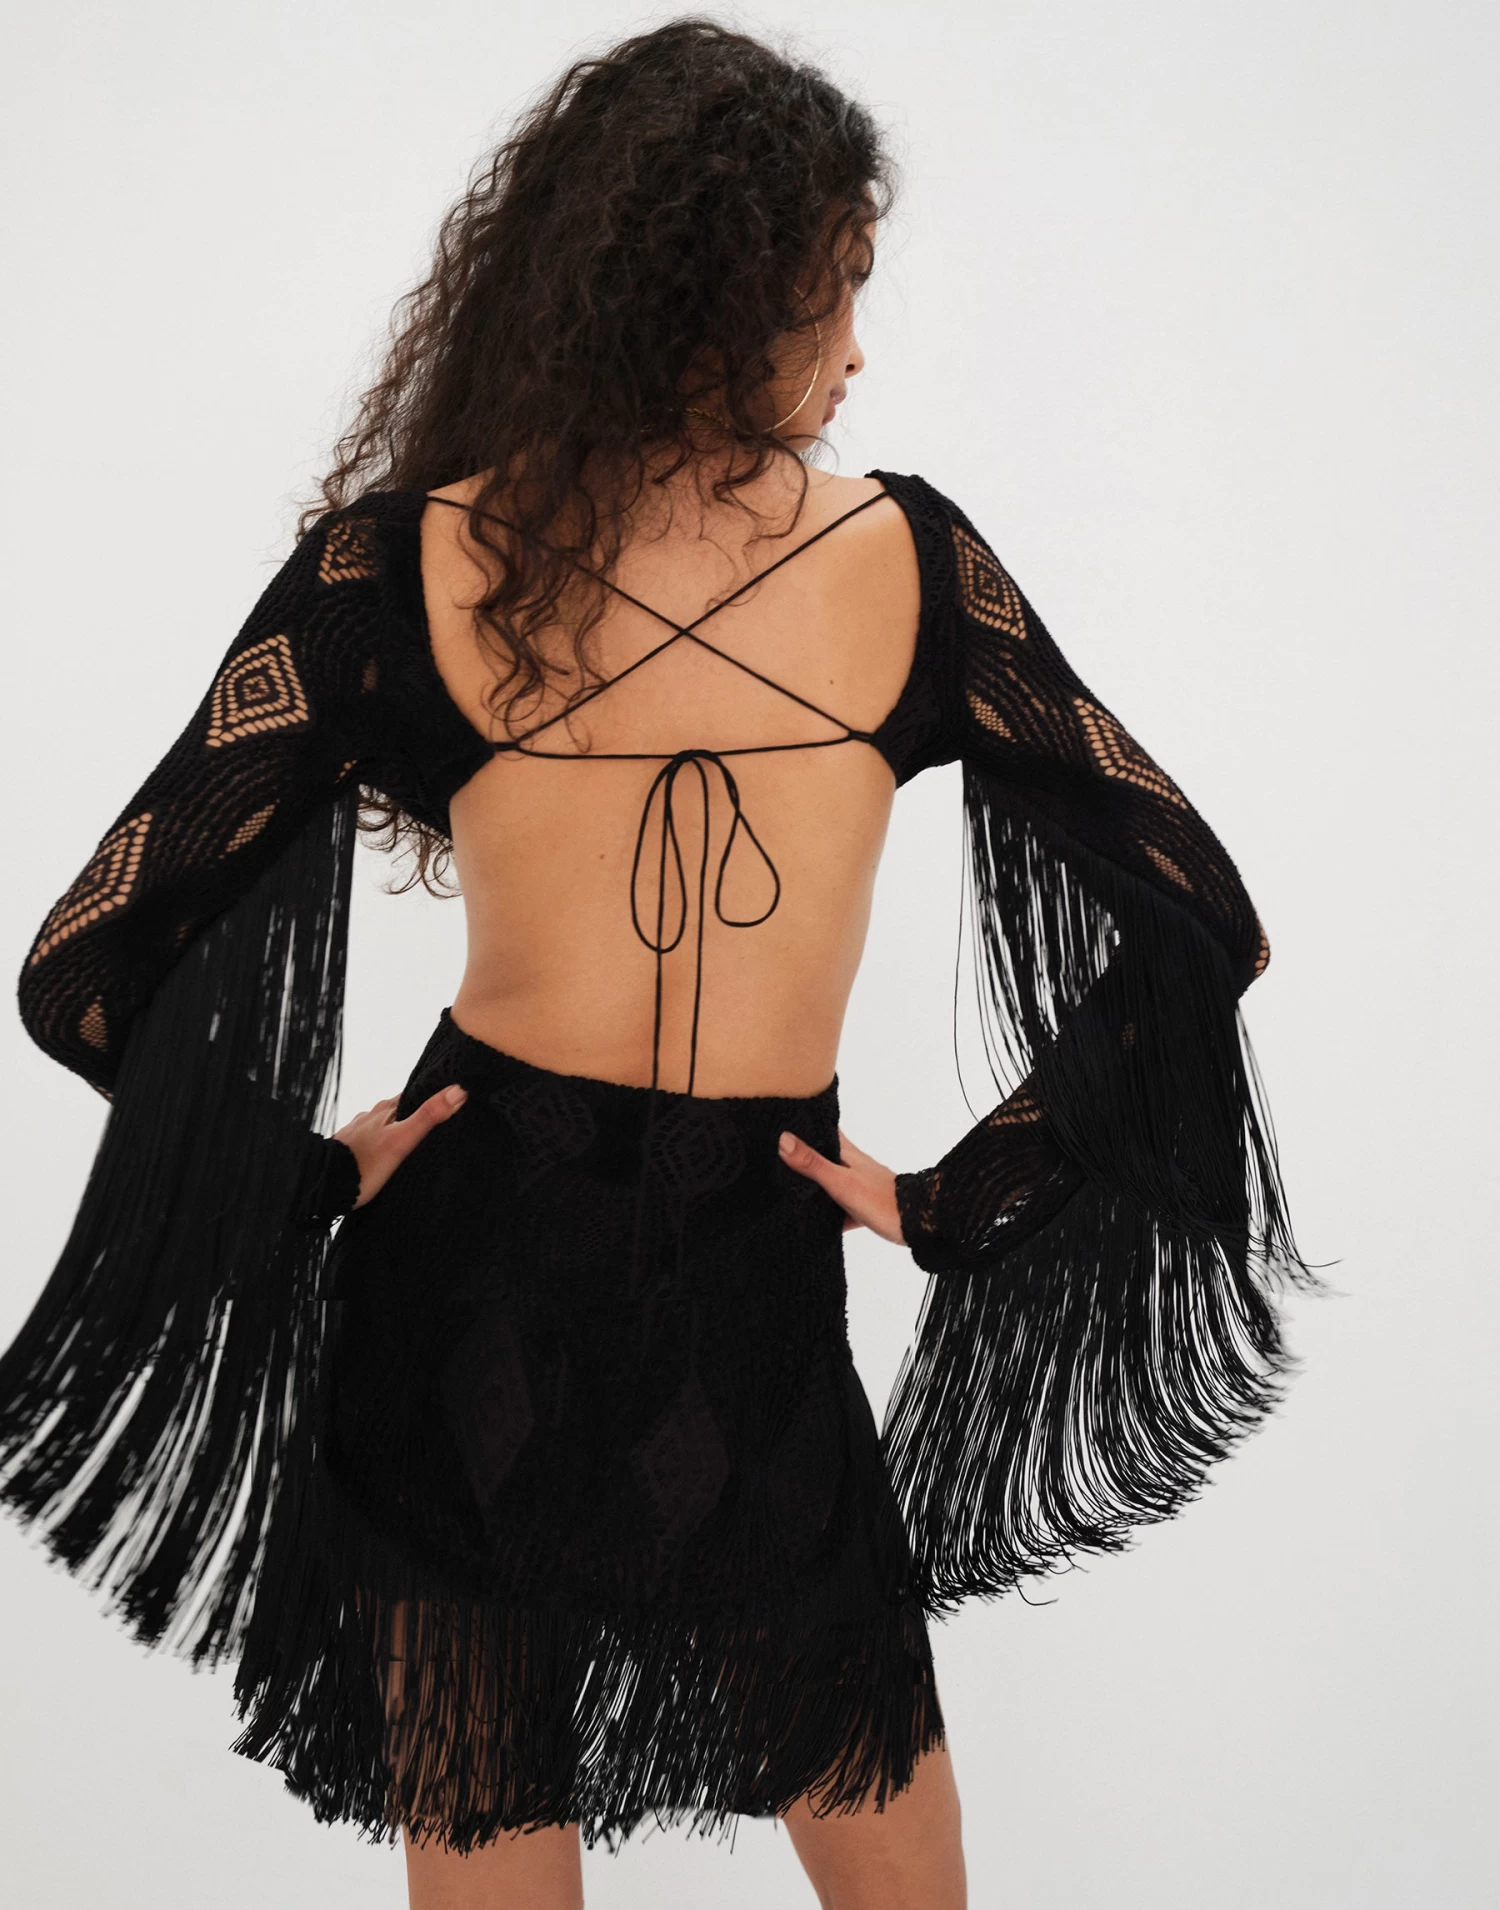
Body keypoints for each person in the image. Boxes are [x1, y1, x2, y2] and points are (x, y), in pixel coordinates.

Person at [0, 19, 1315, 1910]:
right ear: (722, 298)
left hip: (476, 1270)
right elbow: (1204, 912)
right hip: (720, 1272)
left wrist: (306, 1179)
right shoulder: (913, 564)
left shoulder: (407, 565)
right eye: (838, 288)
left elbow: (88, 970)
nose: (857, 349)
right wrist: (963, 1197)